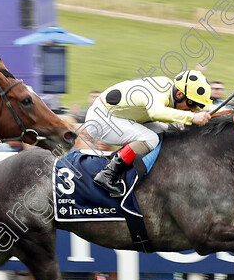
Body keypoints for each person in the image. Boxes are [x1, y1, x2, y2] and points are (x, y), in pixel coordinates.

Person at [85, 71, 213, 196]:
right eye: (192, 104)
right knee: (150, 138)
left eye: (198, 106)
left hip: (119, 117)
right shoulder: (159, 92)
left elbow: (168, 117)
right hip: (100, 120)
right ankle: (107, 174)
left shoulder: (170, 89)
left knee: (166, 129)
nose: (193, 109)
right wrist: (191, 117)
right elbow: (156, 113)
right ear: (179, 94)